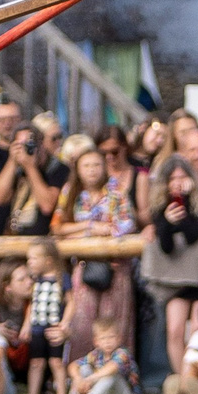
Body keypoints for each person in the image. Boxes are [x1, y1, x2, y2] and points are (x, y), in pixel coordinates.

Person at [53, 141, 138, 362]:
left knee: (114, 320)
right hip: (83, 266)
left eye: (96, 165)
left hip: (115, 266)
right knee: (82, 322)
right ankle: (79, 373)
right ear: (78, 170)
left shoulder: (116, 192)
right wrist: (90, 228)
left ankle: (117, 373)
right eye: (86, 165)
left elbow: (125, 225)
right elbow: (57, 227)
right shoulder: (70, 193)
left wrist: (101, 232)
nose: (91, 170)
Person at [139, 160, 198, 389]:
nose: (178, 183)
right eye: (172, 179)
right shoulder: (160, 204)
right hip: (176, 279)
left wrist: (188, 205)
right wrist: (166, 222)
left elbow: (194, 235)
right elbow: (166, 247)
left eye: (182, 177)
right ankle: (183, 382)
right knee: (174, 330)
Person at [18, 239, 69, 394]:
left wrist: (65, 323)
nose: (29, 262)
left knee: (56, 362)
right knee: (36, 362)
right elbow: (33, 303)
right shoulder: (36, 280)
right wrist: (27, 325)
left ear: (48, 260)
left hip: (54, 326)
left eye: (33, 259)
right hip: (37, 326)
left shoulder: (62, 278)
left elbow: (71, 302)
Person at [67, 320, 138, 394]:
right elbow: (73, 365)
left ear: (119, 339)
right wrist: (78, 379)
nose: (107, 342)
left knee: (111, 375)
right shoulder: (96, 354)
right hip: (105, 393)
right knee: (84, 368)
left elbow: (113, 367)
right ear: (96, 342)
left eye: (111, 337)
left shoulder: (122, 353)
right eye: (103, 338)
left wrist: (90, 379)